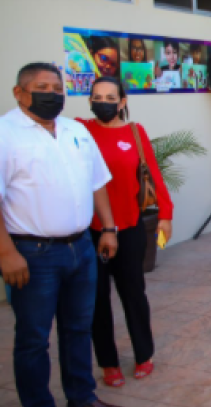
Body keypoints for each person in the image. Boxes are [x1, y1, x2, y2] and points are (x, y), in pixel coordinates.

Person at [0, 63, 120, 407]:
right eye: (42, 87)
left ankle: (82, 398)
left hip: (81, 249)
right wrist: (6, 253)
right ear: (19, 92)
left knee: (79, 329)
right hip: (33, 255)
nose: (52, 95)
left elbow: (97, 183)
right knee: (34, 340)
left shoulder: (75, 130)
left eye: (57, 89)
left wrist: (108, 228)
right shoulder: (6, 133)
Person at [76, 77, 173, 386]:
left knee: (133, 294)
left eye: (110, 96)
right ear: (90, 100)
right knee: (97, 299)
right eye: (97, 96)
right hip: (91, 231)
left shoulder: (134, 132)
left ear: (122, 102)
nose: (103, 101)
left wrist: (165, 215)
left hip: (129, 227)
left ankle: (144, 355)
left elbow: (152, 173)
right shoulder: (80, 131)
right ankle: (108, 362)